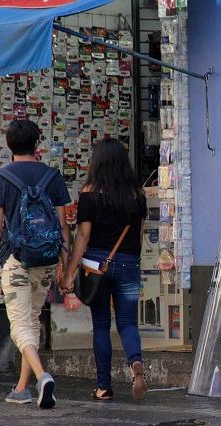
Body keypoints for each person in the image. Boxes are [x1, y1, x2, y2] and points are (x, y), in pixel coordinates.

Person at [0, 119, 71, 408]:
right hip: (46, 261)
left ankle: (42, 376)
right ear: (37, 144)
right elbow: (63, 226)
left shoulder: (1, 177)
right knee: (31, 320)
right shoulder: (52, 176)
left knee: (19, 325)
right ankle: (22, 388)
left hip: (16, 261)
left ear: (9, 145)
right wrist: (65, 265)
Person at [61, 138, 148, 401]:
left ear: (97, 161)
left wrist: (69, 272)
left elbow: (83, 236)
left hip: (95, 265)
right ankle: (136, 365)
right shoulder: (137, 194)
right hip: (128, 264)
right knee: (128, 323)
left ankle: (103, 387)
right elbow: (140, 235)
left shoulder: (89, 193)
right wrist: (131, 263)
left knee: (101, 326)